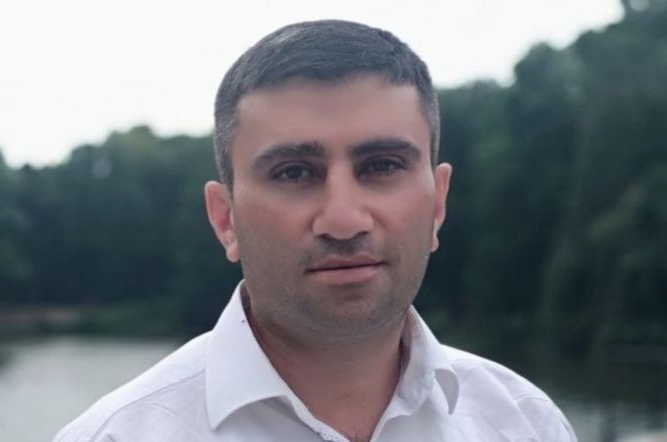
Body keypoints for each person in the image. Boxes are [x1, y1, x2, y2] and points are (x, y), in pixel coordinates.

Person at [55, 20, 576, 442]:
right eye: (294, 173)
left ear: (438, 204)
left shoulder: (526, 424)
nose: (344, 220)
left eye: (382, 165)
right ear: (225, 219)